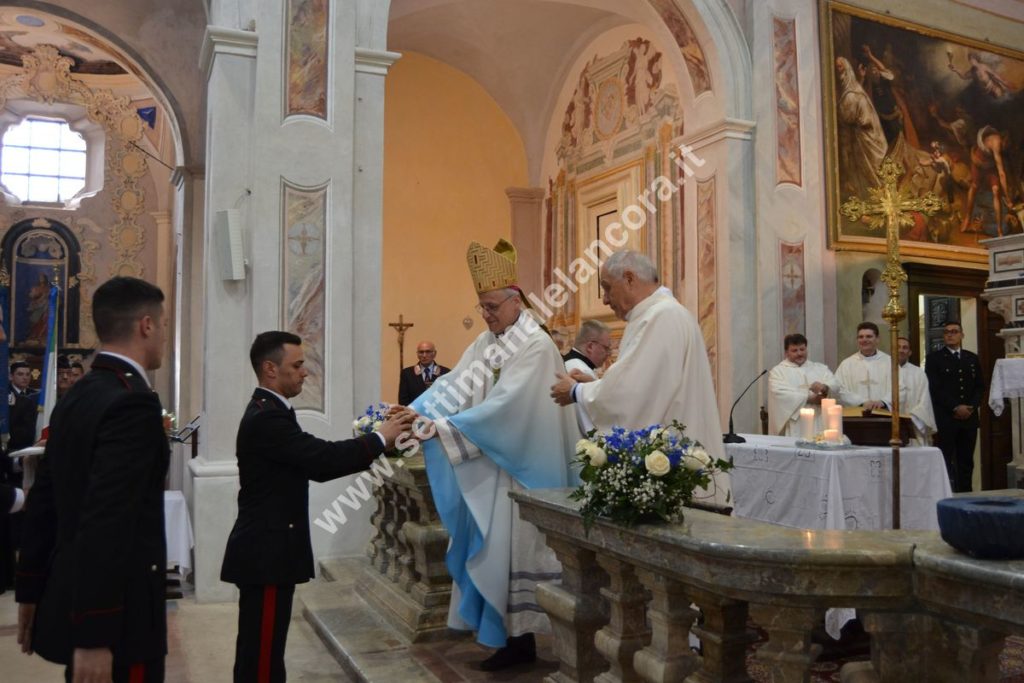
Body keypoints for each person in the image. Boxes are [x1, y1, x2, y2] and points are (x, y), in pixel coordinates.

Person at [409, 239, 578, 671]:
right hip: (492, 466)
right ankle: (503, 638)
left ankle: (520, 644)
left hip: (522, 470)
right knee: (493, 551)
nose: (485, 314)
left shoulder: (535, 345)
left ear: (515, 299)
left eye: (491, 306)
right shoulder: (486, 343)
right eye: (481, 306)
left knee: (514, 553)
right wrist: (412, 413)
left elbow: (510, 406)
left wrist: (448, 428)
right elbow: (452, 385)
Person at [222, 331, 414, 683]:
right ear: (270, 369)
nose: (305, 372)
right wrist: (379, 438)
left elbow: (315, 464)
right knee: (261, 656)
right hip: (266, 555)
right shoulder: (267, 418)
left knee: (263, 649)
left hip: (270, 550)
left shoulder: (272, 412)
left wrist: (376, 440)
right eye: (296, 365)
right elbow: (321, 460)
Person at [16, 276, 170, 683]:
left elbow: (43, 502)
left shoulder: (79, 396)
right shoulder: (131, 402)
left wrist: (30, 590)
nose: (165, 336)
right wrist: (95, 634)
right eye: (165, 324)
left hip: (78, 599)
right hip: (121, 619)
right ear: (146, 325)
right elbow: (108, 521)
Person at [549, 250, 728, 506]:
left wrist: (576, 392)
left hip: (674, 477)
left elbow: (632, 396)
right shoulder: (661, 314)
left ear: (630, 278)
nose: (605, 299)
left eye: (607, 288)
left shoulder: (662, 317)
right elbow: (646, 384)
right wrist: (597, 386)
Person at [925, 321, 984, 492]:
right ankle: (945, 494)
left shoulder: (971, 358)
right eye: (947, 332)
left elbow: (979, 386)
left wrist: (971, 407)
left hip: (969, 420)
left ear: (961, 335)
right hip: (947, 418)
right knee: (945, 459)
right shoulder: (934, 359)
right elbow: (934, 388)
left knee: (966, 461)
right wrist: (955, 407)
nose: (950, 335)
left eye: (954, 331)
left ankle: (966, 495)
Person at [767, 333, 840, 437]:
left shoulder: (820, 368)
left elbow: (835, 384)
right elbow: (779, 393)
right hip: (796, 424)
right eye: (794, 350)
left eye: (802, 349)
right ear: (786, 352)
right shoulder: (778, 372)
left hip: (820, 420)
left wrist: (825, 387)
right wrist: (809, 398)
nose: (799, 353)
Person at [835, 56, 887, 197]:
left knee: (874, 166)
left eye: (840, 66)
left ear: (846, 69)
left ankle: (880, 192)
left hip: (868, 134)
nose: (838, 70)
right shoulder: (850, 89)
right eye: (837, 67)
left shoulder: (852, 92)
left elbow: (850, 114)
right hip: (862, 133)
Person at [562, 319, 612, 433]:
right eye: (606, 348)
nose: (609, 354)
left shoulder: (572, 363)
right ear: (590, 346)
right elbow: (590, 424)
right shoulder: (581, 370)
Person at [836, 322, 891, 411]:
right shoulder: (847, 364)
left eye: (869, 336)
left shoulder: (890, 362)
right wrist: (862, 402)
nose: (864, 340)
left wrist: (883, 402)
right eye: (861, 337)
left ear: (877, 339)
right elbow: (839, 389)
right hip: (856, 415)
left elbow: (900, 387)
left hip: (884, 414)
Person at [896, 337, 936, 445]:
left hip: (914, 425)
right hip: (890, 424)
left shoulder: (919, 373)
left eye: (905, 348)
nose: (901, 350)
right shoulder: (885, 370)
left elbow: (925, 400)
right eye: (898, 347)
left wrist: (912, 418)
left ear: (910, 352)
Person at [398, 341, 449, 406]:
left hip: (438, 414)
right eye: (421, 352)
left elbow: (448, 398)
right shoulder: (407, 373)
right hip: (414, 414)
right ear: (417, 354)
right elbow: (403, 401)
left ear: (434, 353)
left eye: (428, 352)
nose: (424, 355)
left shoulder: (445, 372)